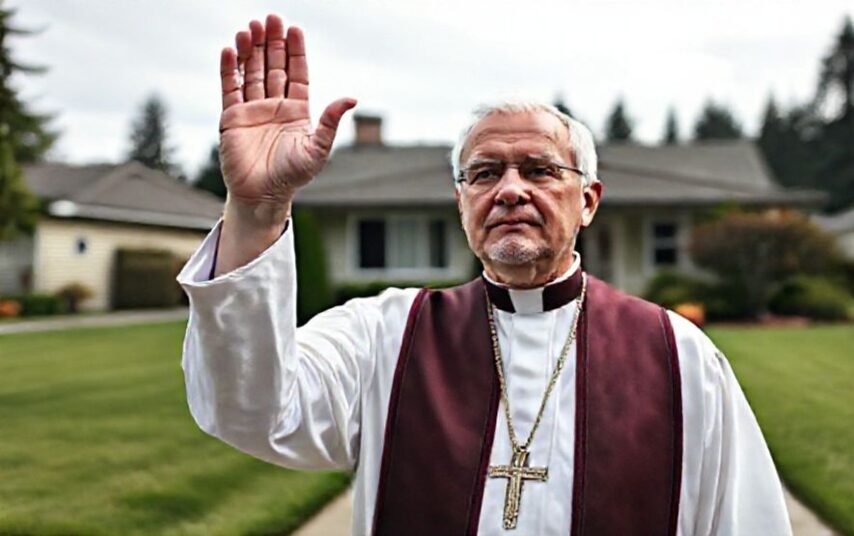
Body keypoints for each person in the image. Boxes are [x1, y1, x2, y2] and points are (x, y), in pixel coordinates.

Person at [177, 13, 793, 536]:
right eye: (485, 173)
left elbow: (745, 522)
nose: (510, 191)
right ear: (461, 201)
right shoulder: (384, 337)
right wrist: (257, 210)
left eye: (540, 170)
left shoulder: (680, 356)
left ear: (588, 201)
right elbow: (253, 409)